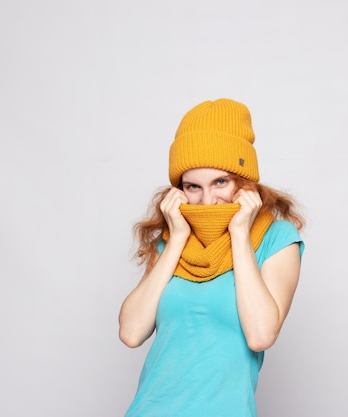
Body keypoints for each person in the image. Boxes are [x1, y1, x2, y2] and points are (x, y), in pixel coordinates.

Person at [119, 98, 305, 417]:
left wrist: (239, 235)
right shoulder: (170, 243)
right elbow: (132, 333)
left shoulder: (277, 239)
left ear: (244, 182)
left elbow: (261, 335)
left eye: (221, 182)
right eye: (193, 186)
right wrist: (177, 237)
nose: (208, 201)